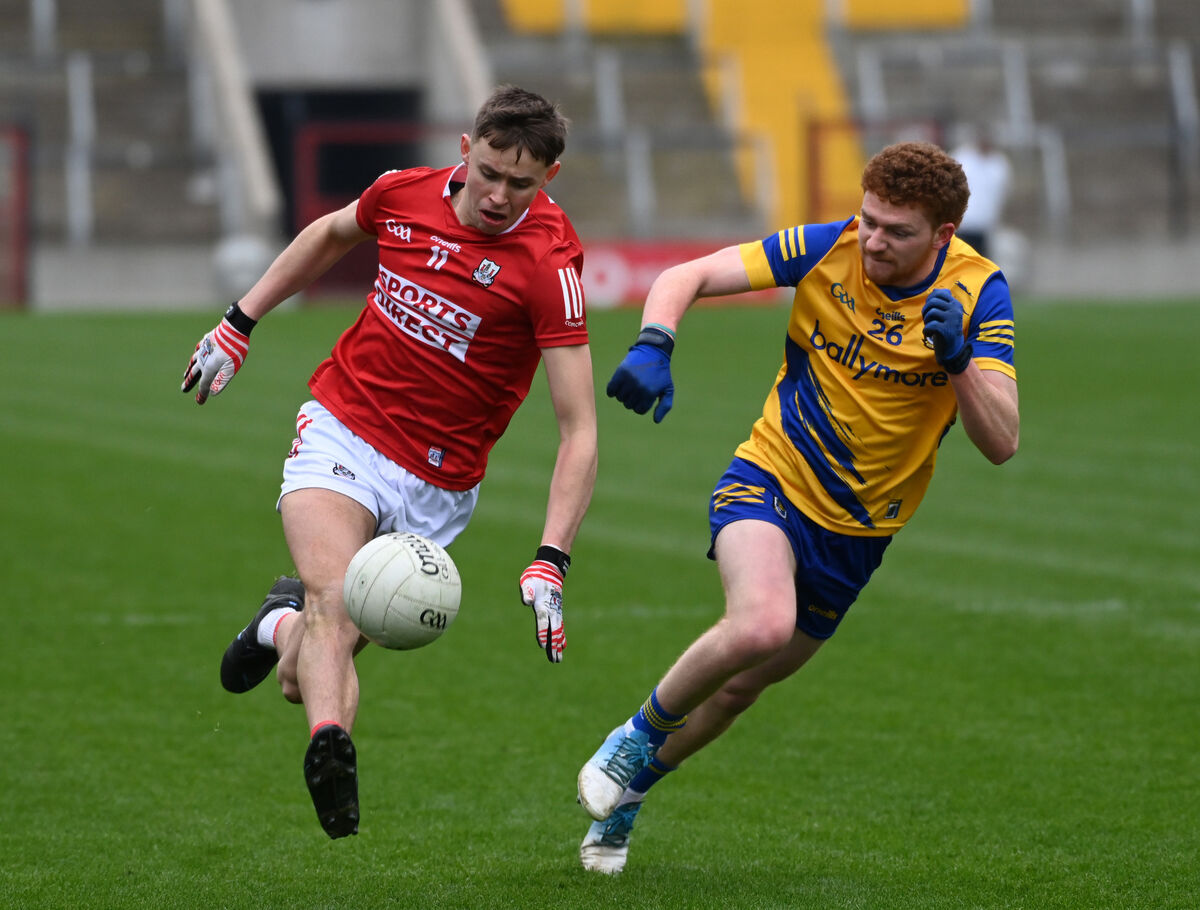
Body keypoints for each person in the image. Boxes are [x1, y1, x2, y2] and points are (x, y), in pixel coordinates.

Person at [575, 141, 1018, 873]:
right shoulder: (828, 248)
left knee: (739, 690)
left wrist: (959, 360)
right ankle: (634, 737)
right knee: (761, 623)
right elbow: (688, 274)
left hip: (860, 531)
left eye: (897, 231)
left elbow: (1001, 441)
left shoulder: (979, 293)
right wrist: (656, 341)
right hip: (771, 477)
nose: (872, 240)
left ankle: (632, 793)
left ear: (943, 234)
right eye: (868, 219)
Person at [181, 85, 597, 839]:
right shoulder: (403, 193)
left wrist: (551, 558)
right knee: (334, 601)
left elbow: (579, 430)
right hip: (342, 428)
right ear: (465, 150)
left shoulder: (549, 263)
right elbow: (330, 233)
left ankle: (276, 627)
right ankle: (330, 748)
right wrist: (240, 321)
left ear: (550, 178)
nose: (498, 196)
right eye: (489, 173)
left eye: (521, 184)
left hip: (438, 487)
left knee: (305, 664)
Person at [949, 126, 1011, 259]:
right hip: (963, 225)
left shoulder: (999, 163)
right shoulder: (962, 158)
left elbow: (1003, 192)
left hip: (986, 226)